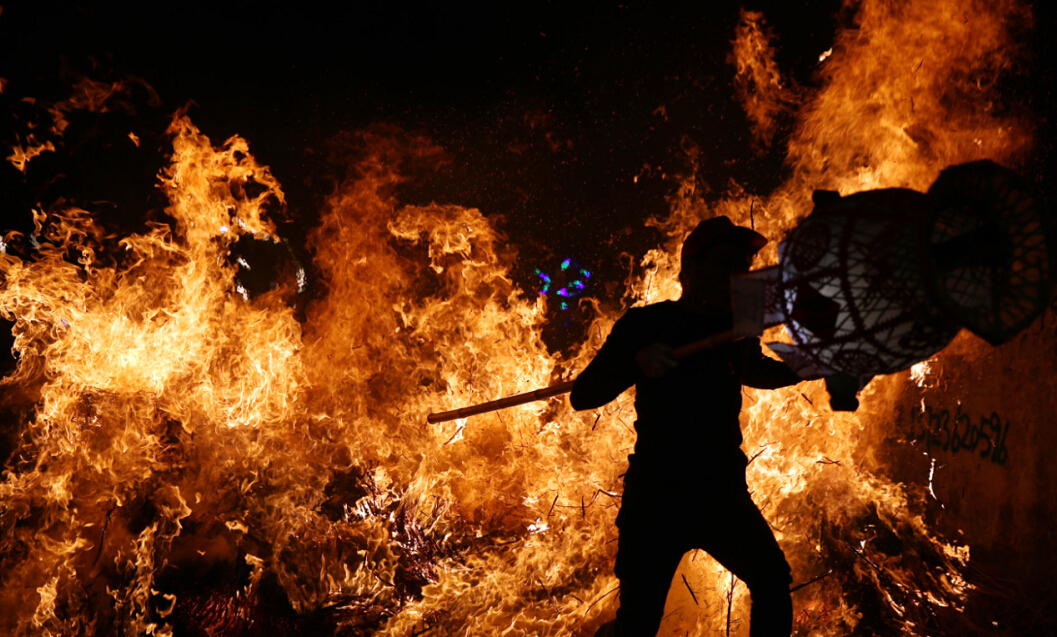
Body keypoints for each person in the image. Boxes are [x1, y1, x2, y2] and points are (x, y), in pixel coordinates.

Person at [571, 216, 803, 637]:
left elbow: (752, 370)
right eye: (727, 264)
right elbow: (582, 395)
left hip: (721, 491)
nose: (739, 277)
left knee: (772, 582)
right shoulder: (646, 324)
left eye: (745, 267)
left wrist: (804, 367)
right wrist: (634, 364)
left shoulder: (741, 319)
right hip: (658, 496)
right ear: (692, 269)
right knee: (637, 626)